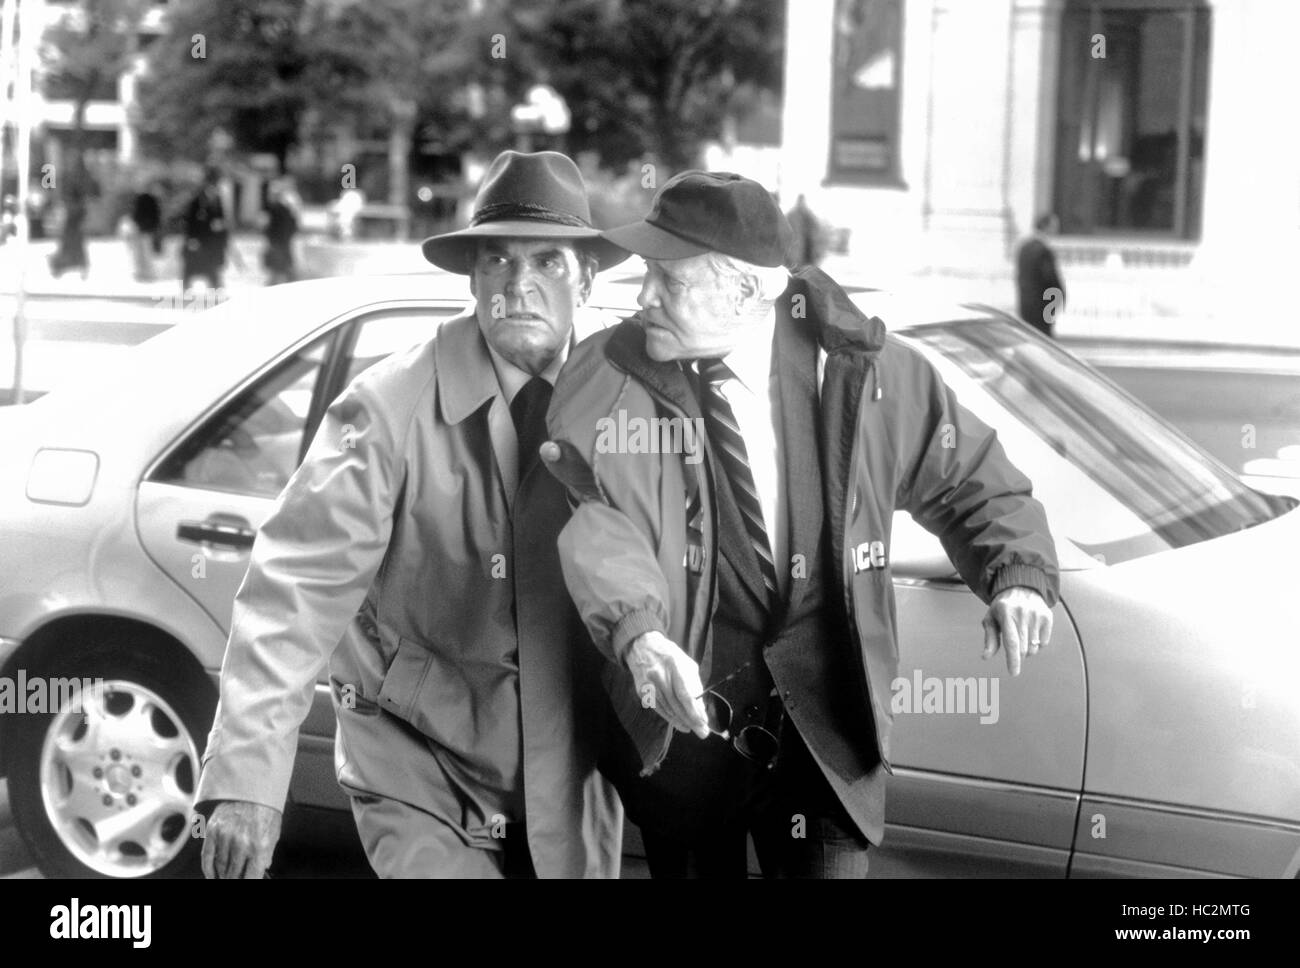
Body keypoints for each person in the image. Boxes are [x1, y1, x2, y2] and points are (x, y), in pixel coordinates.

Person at [542, 170, 1060, 878]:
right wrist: (640, 634)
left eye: (669, 280)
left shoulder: (869, 375)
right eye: (645, 276)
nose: (643, 298)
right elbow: (601, 525)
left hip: (827, 738)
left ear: (747, 290)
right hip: (686, 739)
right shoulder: (609, 380)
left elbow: (973, 480)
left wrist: (1016, 575)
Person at [195, 150, 630, 879]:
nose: (519, 286)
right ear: (473, 279)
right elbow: (293, 592)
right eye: (497, 261)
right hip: (416, 762)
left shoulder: (625, 399)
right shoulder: (388, 407)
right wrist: (247, 780)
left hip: (570, 766)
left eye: (548, 263)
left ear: (586, 279)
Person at [1015, 213, 1066, 337]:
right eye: (1054, 226)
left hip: (1025, 307)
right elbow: (1051, 281)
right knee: (1044, 344)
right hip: (1042, 309)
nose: (1056, 230)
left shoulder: (1024, 247)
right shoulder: (1043, 251)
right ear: (1046, 227)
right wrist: (1057, 304)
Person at [181, 165, 230, 294]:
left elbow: (221, 219)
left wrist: (222, 233)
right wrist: (192, 239)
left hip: (213, 242)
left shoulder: (217, 199)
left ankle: (216, 289)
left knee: (212, 267)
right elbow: (190, 221)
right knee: (192, 267)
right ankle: (187, 289)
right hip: (199, 240)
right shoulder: (197, 200)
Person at [261, 178, 298, 285]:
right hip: (281, 244)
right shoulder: (284, 208)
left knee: (279, 273)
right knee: (283, 272)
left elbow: (268, 228)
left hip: (278, 245)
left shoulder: (276, 209)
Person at [129, 180, 162, 282]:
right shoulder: (151, 199)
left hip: (143, 229)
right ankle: (145, 273)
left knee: (142, 253)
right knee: (144, 253)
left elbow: (136, 214)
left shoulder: (142, 199)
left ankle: (144, 274)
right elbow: (156, 215)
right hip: (146, 230)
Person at [784, 192, 828, 269]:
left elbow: (817, 229)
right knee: (796, 268)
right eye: (800, 201)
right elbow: (785, 231)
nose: (801, 203)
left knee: (805, 268)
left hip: (807, 249)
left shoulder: (809, 215)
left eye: (803, 201)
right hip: (796, 249)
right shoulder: (791, 215)